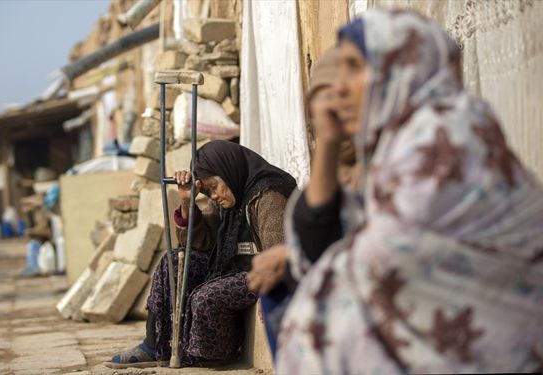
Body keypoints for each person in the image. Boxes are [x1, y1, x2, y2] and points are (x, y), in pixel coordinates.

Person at [277, 9, 543, 374]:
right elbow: (323, 237)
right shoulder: (396, 145)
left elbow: (381, 258)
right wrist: (327, 141)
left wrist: (300, 263)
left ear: (399, 68)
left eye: (355, 67)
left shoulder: (443, 138)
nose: (339, 89)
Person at [106, 140, 297, 368]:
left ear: (229, 171)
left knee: (206, 297)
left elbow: (279, 256)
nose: (213, 195)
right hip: (233, 269)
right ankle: (154, 345)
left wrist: (272, 296)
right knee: (173, 263)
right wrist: (187, 202)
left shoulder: (268, 197)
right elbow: (199, 243)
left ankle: (210, 355)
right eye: (207, 191)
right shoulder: (229, 199)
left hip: (260, 275)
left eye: (214, 187)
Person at [246, 47, 357, 357]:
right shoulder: (349, 169)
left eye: (341, 110)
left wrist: (291, 255)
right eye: (317, 121)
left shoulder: (416, 158)